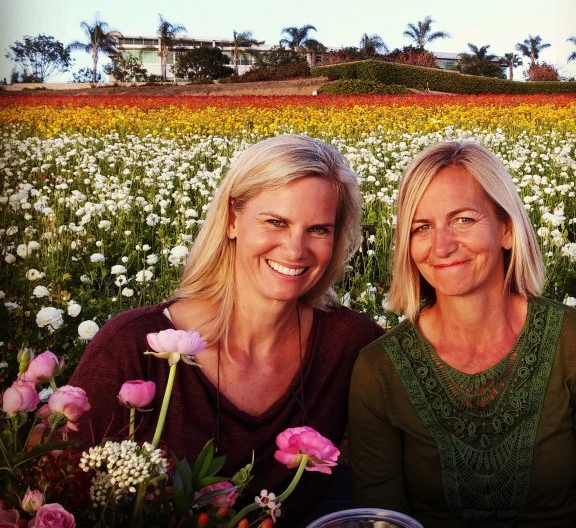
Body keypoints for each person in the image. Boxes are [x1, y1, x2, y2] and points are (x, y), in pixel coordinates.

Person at [69, 134, 383, 525]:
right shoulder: (133, 347)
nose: (295, 249)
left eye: (319, 229)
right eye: (275, 222)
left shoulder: (350, 343)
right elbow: (56, 487)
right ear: (233, 220)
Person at [348, 141, 576, 527]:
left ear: (507, 228)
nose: (442, 245)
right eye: (421, 227)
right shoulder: (379, 370)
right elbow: (383, 519)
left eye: (463, 219)